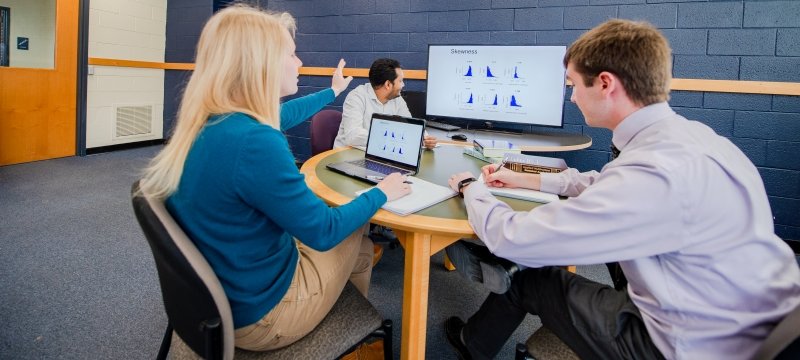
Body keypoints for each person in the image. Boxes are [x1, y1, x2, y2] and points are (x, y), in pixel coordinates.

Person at [444, 19, 800, 360]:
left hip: (685, 345)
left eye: (572, 85)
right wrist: (528, 179)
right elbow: (606, 183)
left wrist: (470, 188)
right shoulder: (694, 137)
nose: (571, 98)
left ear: (605, 83)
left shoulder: (653, 176)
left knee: (526, 273)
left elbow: (513, 237)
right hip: (747, 319)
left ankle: (471, 343)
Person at [139, 5, 411, 352]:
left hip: (222, 294)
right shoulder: (256, 141)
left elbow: (285, 113)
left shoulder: (211, 121)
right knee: (357, 228)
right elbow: (323, 231)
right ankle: (342, 337)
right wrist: (381, 192)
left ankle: (347, 332)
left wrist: (332, 92)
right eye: (291, 53)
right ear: (260, 63)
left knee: (360, 248)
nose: (298, 62)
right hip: (264, 315)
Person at [333, 58, 437, 149]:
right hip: (346, 155)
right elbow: (353, 136)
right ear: (388, 84)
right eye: (400, 81)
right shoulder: (356, 97)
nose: (403, 85)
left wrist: (424, 137)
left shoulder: (397, 99)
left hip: (376, 153)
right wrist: (391, 136)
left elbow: (410, 124)